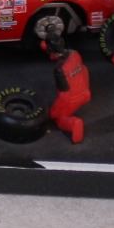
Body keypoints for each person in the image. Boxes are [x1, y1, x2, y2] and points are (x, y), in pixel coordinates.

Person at [38, 15, 90, 143]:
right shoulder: (75, 53)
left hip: (72, 98)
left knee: (59, 119)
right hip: (85, 92)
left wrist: (53, 113)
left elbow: (64, 96)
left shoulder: (59, 70)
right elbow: (84, 70)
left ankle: (75, 124)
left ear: (50, 50)